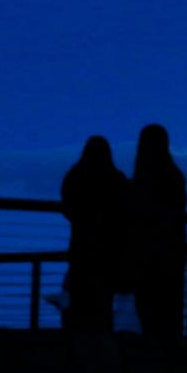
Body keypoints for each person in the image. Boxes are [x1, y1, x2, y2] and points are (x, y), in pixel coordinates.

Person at [61, 136, 129, 333]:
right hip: (109, 250)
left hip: (81, 246)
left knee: (80, 295)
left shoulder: (75, 176)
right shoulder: (116, 178)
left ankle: (79, 340)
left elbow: (67, 207)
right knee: (103, 299)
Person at [131, 124, 187, 337]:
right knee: (168, 303)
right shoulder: (173, 175)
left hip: (145, 252)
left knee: (148, 303)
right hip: (170, 250)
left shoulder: (142, 177)